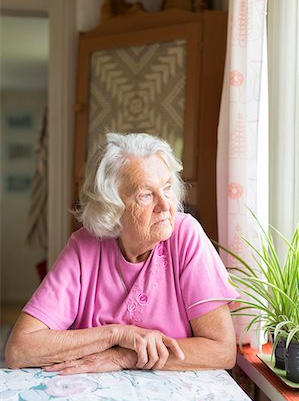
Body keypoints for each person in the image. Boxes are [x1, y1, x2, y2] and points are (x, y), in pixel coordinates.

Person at [5, 132, 238, 374]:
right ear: (111, 206)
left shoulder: (186, 236)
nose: (165, 205)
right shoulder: (84, 247)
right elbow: (19, 349)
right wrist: (115, 334)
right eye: (146, 195)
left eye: (167, 188)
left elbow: (222, 350)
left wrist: (125, 356)